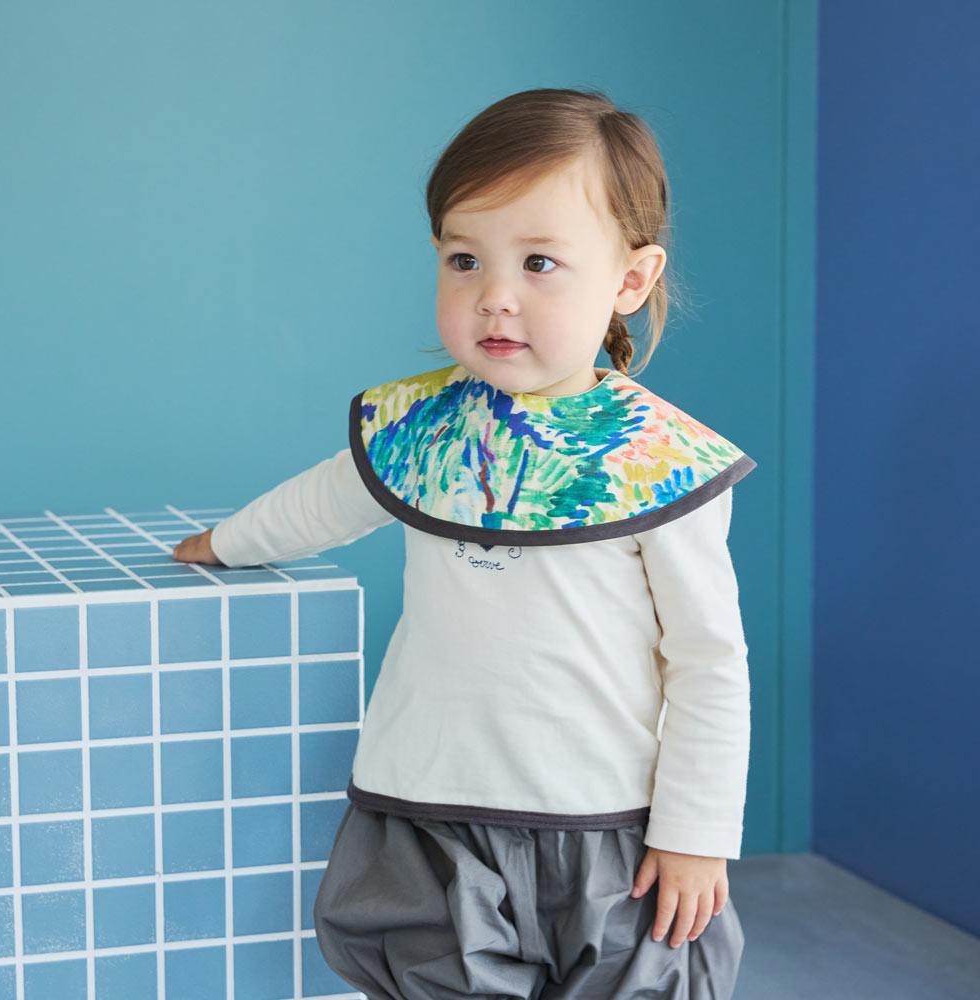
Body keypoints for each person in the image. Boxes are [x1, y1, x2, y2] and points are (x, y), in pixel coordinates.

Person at [174, 86, 756, 1000]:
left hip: (606, 823)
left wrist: (696, 831)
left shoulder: (658, 463)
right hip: (429, 812)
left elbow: (709, 661)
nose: (494, 297)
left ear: (630, 281)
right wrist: (227, 543)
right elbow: (324, 502)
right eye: (463, 259)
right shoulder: (424, 431)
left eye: (538, 262)